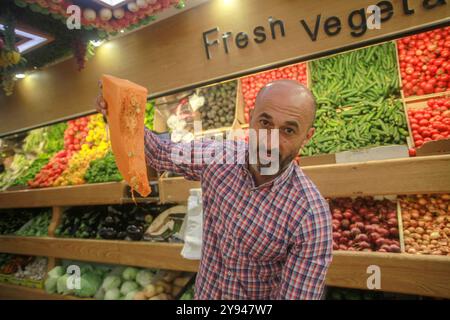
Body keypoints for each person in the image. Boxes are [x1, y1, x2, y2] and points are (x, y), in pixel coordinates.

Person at [97, 79, 332, 300]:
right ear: (250, 120)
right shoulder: (218, 157)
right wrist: (120, 113)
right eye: (265, 122)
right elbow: (159, 152)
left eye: (288, 131)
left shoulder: (311, 217)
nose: (269, 141)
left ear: (307, 137)